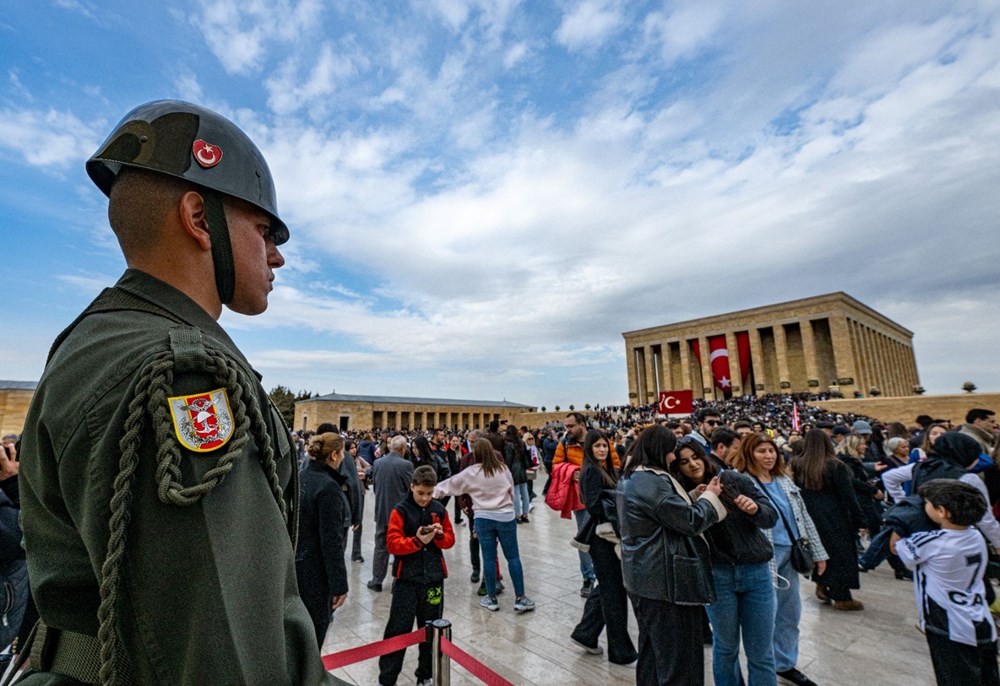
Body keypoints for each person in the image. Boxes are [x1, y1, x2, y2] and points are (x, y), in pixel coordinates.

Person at [18, 100, 334, 684]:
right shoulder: (182, 376)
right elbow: (227, 657)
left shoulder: (98, 340)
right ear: (198, 218)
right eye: (264, 231)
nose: (278, 256)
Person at [618, 425, 726, 686]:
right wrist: (710, 497)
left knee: (654, 655)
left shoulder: (635, 477)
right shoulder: (651, 480)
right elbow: (689, 521)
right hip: (666, 583)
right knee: (680, 662)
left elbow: (661, 514)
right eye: (671, 450)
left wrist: (691, 496)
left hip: (646, 577)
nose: (673, 456)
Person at [741, 433, 828, 686]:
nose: (768, 456)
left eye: (771, 451)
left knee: (790, 613)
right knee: (765, 616)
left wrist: (818, 552)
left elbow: (802, 516)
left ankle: (785, 663)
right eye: (761, 451)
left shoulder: (783, 480)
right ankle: (765, 665)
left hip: (790, 551)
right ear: (749, 454)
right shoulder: (743, 482)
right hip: (763, 556)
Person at [892, 480, 999, 686]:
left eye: (926, 503)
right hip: (980, 617)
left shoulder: (932, 542)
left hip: (947, 623)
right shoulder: (976, 536)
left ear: (942, 511)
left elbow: (897, 547)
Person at [702, 434, 779, 686]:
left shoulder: (735, 479)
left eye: (696, 458)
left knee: (761, 652)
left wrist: (755, 509)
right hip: (718, 574)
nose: (693, 464)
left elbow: (770, 516)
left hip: (755, 572)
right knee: (725, 648)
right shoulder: (686, 493)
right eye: (684, 461)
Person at [433, 439, 535, 613]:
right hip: (505, 516)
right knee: (513, 557)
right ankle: (520, 598)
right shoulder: (502, 469)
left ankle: (491, 598)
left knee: (488, 558)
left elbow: (450, 485)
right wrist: (508, 508)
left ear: (476, 453)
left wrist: (431, 492)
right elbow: (511, 491)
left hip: (482, 518)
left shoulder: (471, 472)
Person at [378, 466, 456, 686]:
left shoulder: (439, 510)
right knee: (398, 630)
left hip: (433, 579)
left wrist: (439, 536)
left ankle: (425, 675)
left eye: (429, 493)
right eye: (421, 492)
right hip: (407, 581)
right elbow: (392, 544)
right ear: (412, 486)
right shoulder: (400, 511)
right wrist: (417, 541)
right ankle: (387, 679)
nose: (425, 498)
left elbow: (450, 540)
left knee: (431, 630)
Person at [569, 430, 637, 666]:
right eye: (597, 446)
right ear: (589, 448)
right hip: (602, 538)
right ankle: (620, 651)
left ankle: (586, 633)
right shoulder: (591, 471)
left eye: (605, 446)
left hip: (607, 537)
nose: (602, 450)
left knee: (609, 587)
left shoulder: (605, 470)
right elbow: (594, 505)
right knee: (614, 593)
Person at [793, 429, 866, 610]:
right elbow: (848, 496)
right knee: (840, 555)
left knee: (819, 552)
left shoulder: (798, 464)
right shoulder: (835, 466)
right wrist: (860, 520)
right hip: (834, 516)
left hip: (809, 516)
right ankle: (842, 597)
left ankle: (822, 584)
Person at [296, 432, 350, 648]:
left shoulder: (301, 476)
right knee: (313, 636)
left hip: (296, 566)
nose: (344, 457)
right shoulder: (328, 487)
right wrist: (339, 584)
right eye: (342, 453)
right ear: (334, 455)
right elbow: (332, 541)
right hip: (315, 573)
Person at [554, 412, 615, 597]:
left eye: (571, 426)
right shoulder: (565, 443)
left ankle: (604, 573)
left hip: (602, 494)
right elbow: (555, 465)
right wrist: (571, 471)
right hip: (579, 497)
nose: (568, 429)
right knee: (585, 535)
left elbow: (615, 463)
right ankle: (588, 576)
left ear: (582, 425)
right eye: (566, 426)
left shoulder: (600, 440)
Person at [368, 435, 415, 592]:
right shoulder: (406, 465)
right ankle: (398, 581)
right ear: (403, 448)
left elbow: (375, 487)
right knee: (401, 547)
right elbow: (411, 489)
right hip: (400, 514)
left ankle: (376, 580)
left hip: (382, 511)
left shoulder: (378, 463)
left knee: (380, 547)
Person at [502, 425, 532, 523]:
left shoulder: (509, 444)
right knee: (525, 492)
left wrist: (506, 471)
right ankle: (525, 514)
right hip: (522, 468)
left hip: (514, 469)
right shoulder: (521, 442)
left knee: (516, 493)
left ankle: (517, 515)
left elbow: (509, 459)